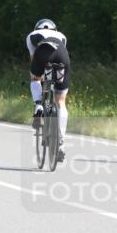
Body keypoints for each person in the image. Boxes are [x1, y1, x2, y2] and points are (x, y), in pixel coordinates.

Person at [26, 18, 70, 162]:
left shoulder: (31, 36)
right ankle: (61, 142)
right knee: (60, 101)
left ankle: (39, 105)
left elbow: (34, 59)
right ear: (54, 29)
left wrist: (39, 77)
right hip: (62, 55)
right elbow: (59, 52)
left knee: (35, 79)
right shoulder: (62, 36)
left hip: (42, 51)